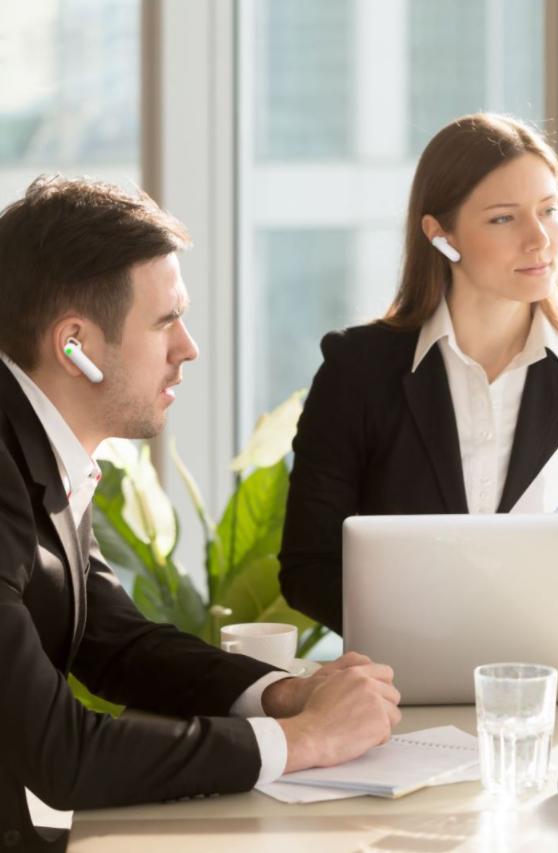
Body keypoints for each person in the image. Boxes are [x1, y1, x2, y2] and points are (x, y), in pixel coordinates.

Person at [0, 177, 402, 849]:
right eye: (165, 322)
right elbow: (62, 752)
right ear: (74, 345)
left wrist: (283, 694)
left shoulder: (36, 447)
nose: (188, 347)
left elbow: (115, 641)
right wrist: (305, 738)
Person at [279, 113, 558, 645]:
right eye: (504, 219)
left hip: (556, 689)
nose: (540, 240)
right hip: (403, 691)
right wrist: (439, 634)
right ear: (441, 235)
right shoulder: (358, 370)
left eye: (549, 210)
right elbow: (309, 567)